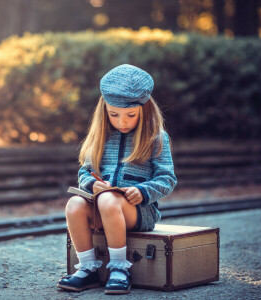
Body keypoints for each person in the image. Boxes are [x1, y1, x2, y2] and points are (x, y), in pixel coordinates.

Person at [57, 64, 177, 295]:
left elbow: (167, 179)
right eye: (114, 115)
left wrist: (143, 191)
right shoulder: (100, 137)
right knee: (74, 204)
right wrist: (92, 184)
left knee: (108, 201)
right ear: (105, 111)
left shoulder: (156, 138)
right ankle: (88, 269)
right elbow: (85, 171)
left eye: (130, 115)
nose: (122, 122)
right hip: (103, 206)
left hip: (139, 212)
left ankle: (120, 269)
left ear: (144, 110)